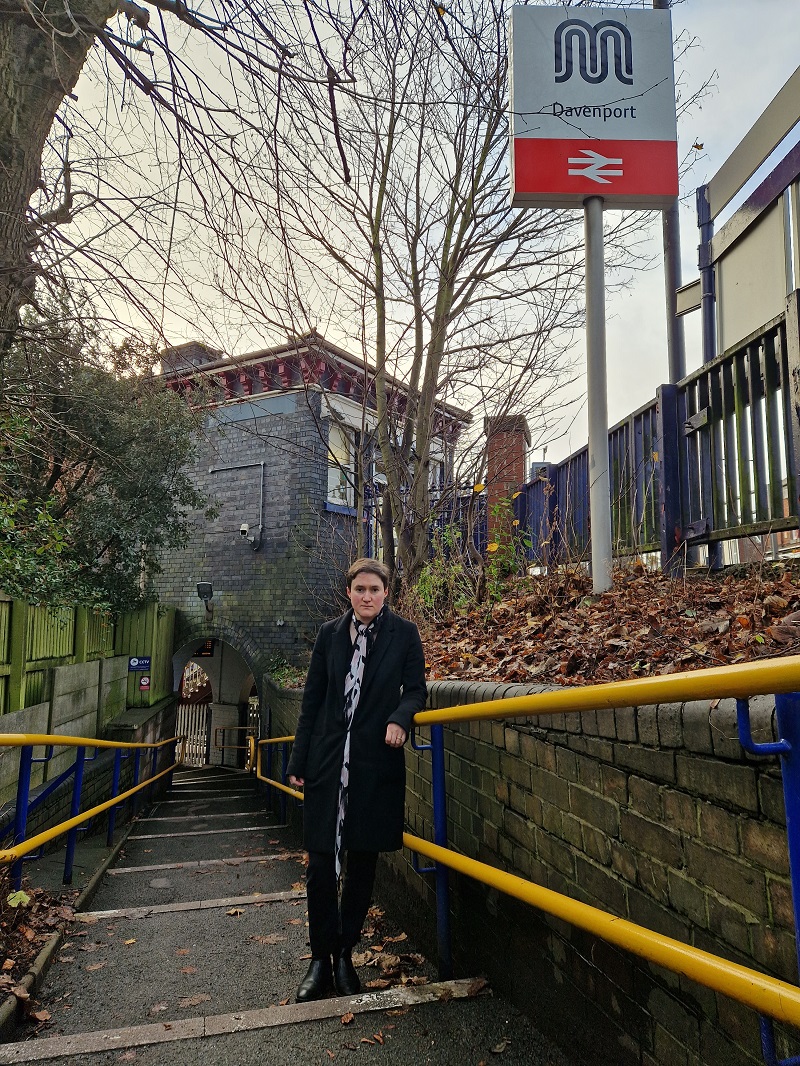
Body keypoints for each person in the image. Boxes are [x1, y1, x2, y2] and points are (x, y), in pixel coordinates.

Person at [287, 557, 427, 1002]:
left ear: (386, 593)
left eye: (375, 589)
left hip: (372, 765)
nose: (367, 596)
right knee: (320, 865)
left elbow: (416, 690)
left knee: (362, 864)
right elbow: (312, 701)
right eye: (360, 589)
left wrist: (401, 718)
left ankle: (345, 954)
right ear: (349, 592)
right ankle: (319, 959)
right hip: (328, 763)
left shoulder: (404, 634)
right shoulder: (329, 635)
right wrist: (298, 760)